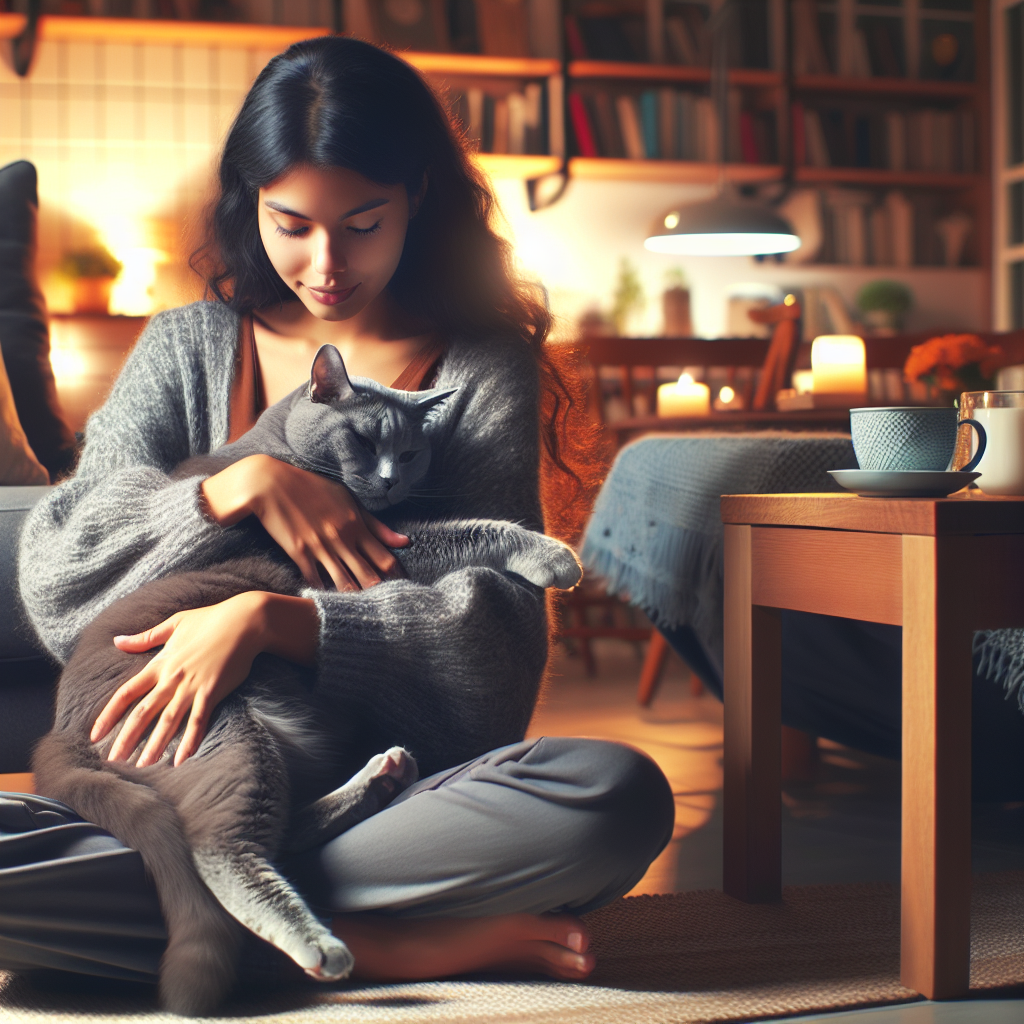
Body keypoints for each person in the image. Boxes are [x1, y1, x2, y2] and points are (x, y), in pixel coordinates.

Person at [2, 36, 674, 989]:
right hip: (178, 778)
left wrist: (283, 622)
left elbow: (497, 650)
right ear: (249, 204)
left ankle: (239, 910)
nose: (324, 265)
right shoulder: (187, 348)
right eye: (291, 224)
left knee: (614, 797)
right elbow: (61, 579)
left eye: (363, 223)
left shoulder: (477, 369)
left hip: (379, 799)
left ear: (417, 200)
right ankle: (379, 940)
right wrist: (228, 489)